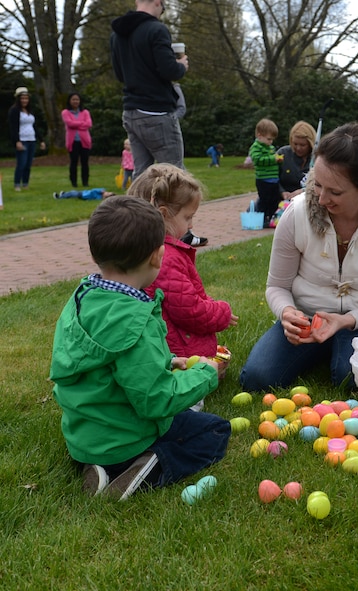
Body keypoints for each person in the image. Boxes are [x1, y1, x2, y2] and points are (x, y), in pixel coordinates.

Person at [49, 195, 231, 500]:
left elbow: (109, 361)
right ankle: (146, 469)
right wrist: (206, 373)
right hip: (125, 438)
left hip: (83, 437)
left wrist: (170, 360)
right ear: (157, 256)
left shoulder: (82, 298)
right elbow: (157, 400)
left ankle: (98, 467)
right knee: (214, 430)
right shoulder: (136, 319)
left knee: (125, 433)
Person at [240, 122, 358, 391]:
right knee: (257, 379)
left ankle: (338, 354)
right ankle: (325, 350)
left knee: (351, 380)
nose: (321, 199)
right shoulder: (297, 214)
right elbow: (277, 286)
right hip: (306, 319)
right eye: (318, 185)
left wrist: (345, 321)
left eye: (335, 191)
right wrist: (287, 313)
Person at [131, 164, 238, 398]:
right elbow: (189, 310)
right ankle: (188, 397)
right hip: (180, 351)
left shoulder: (154, 252)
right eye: (187, 217)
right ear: (163, 214)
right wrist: (221, 312)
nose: (191, 225)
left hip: (173, 346)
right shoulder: (166, 257)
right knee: (191, 389)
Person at [111, 0, 189, 177]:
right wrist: (181, 65)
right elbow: (170, 70)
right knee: (173, 175)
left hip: (131, 112)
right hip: (157, 112)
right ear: (157, 2)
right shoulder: (156, 30)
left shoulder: (117, 34)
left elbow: (120, 75)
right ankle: (171, 206)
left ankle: (136, 206)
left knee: (141, 176)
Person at [7, 87, 46, 191]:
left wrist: (41, 140)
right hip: (22, 139)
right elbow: (13, 127)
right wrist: (17, 141)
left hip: (31, 139)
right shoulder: (14, 111)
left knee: (28, 164)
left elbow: (34, 126)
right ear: (18, 99)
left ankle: (25, 183)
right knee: (21, 163)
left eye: (26, 98)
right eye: (22, 98)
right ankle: (17, 184)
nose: (24, 100)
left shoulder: (29, 111)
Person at [249, 118, 284, 228]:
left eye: (272, 139)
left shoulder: (270, 147)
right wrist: (274, 159)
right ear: (259, 135)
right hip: (263, 180)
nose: (271, 142)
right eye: (269, 139)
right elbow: (258, 159)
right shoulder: (256, 147)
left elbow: (272, 159)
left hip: (274, 179)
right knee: (264, 200)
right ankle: (262, 218)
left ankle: (272, 217)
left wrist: (278, 161)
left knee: (274, 200)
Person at [277, 121, 316, 199]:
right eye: (295, 144)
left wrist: (303, 191)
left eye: (302, 145)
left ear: (310, 143)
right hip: (281, 201)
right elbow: (271, 177)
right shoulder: (282, 154)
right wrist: (282, 192)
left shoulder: (317, 158)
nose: (298, 148)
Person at [61, 93, 93, 188]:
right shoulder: (65, 112)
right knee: (73, 162)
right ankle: (74, 182)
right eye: (73, 99)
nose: (75, 102)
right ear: (69, 101)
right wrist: (81, 124)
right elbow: (69, 123)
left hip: (84, 141)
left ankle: (85, 182)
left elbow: (89, 124)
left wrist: (76, 124)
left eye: (77, 100)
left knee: (85, 162)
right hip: (73, 141)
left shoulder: (85, 112)